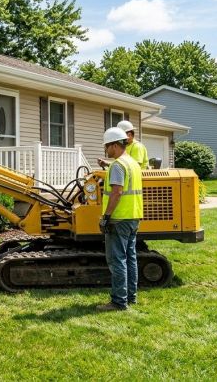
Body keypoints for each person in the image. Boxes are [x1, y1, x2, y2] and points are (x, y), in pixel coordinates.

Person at [97, 127, 144, 311]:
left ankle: (118, 301)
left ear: (115, 145)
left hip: (119, 219)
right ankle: (130, 297)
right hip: (133, 217)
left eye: (107, 146)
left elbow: (117, 192)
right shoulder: (132, 163)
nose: (106, 150)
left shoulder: (118, 165)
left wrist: (106, 217)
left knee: (117, 260)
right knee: (130, 259)